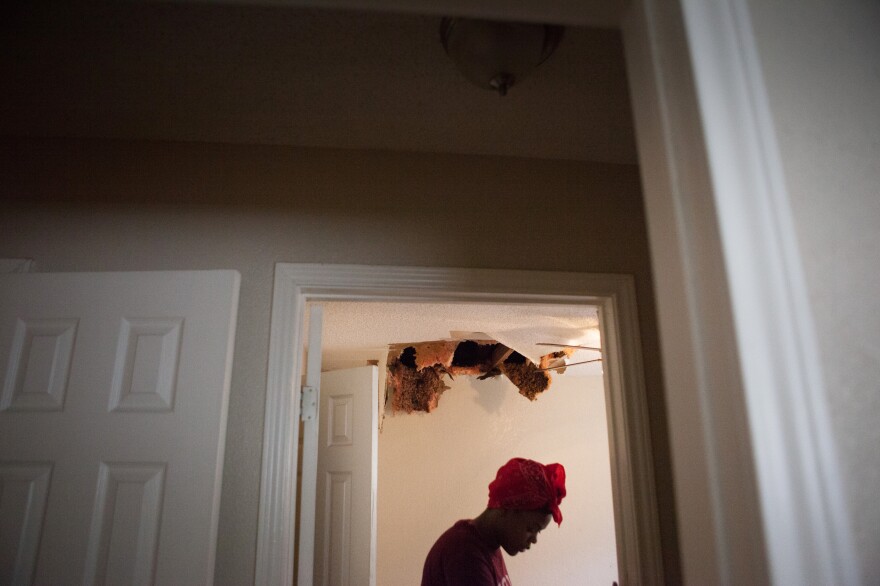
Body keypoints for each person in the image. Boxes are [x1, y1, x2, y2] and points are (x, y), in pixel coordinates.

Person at [421, 457, 566, 586]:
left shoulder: (486, 543)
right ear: (507, 509)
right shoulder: (465, 553)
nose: (534, 540)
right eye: (530, 529)